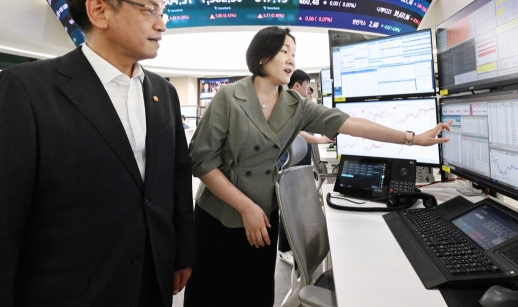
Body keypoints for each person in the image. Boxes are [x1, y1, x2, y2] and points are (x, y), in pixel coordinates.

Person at [0, 0, 195, 306]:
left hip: (151, 281)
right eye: (149, 10)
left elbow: (175, 177)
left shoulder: (162, 93)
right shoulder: (22, 91)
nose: (162, 24)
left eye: (162, 12)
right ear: (99, 11)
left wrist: (181, 251)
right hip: (70, 291)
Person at [186, 26, 452, 306]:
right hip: (219, 214)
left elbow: (351, 124)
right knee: (211, 293)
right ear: (262, 56)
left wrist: (413, 138)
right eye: (284, 51)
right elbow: (201, 161)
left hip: (263, 212)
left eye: (294, 53)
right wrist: (245, 207)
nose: (291, 60)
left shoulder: (295, 105)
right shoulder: (228, 96)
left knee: (254, 292)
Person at [277, 69, 333, 266]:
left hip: (300, 163)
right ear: (297, 85)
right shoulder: (287, 104)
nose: (308, 91)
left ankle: (293, 244)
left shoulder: (300, 104)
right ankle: (283, 249)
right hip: (287, 163)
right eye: (307, 87)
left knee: (297, 205)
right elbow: (298, 131)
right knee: (288, 206)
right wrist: (319, 138)